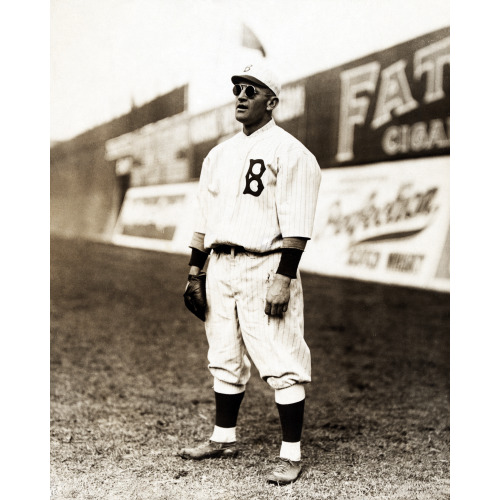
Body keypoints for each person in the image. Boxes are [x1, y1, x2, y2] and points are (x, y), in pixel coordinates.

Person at [179, 60, 321, 485]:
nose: (241, 95)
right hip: (220, 264)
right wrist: (194, 272)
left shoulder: (292, 152)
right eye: (238, 88)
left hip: (266, 264)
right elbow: (203, 216)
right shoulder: (219, 154)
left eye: (251, 90)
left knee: (281, 358)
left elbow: (298, 222)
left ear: (272, 102)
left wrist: (284, 277)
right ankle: (223, 437)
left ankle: (291, 454)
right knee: (222, 355)